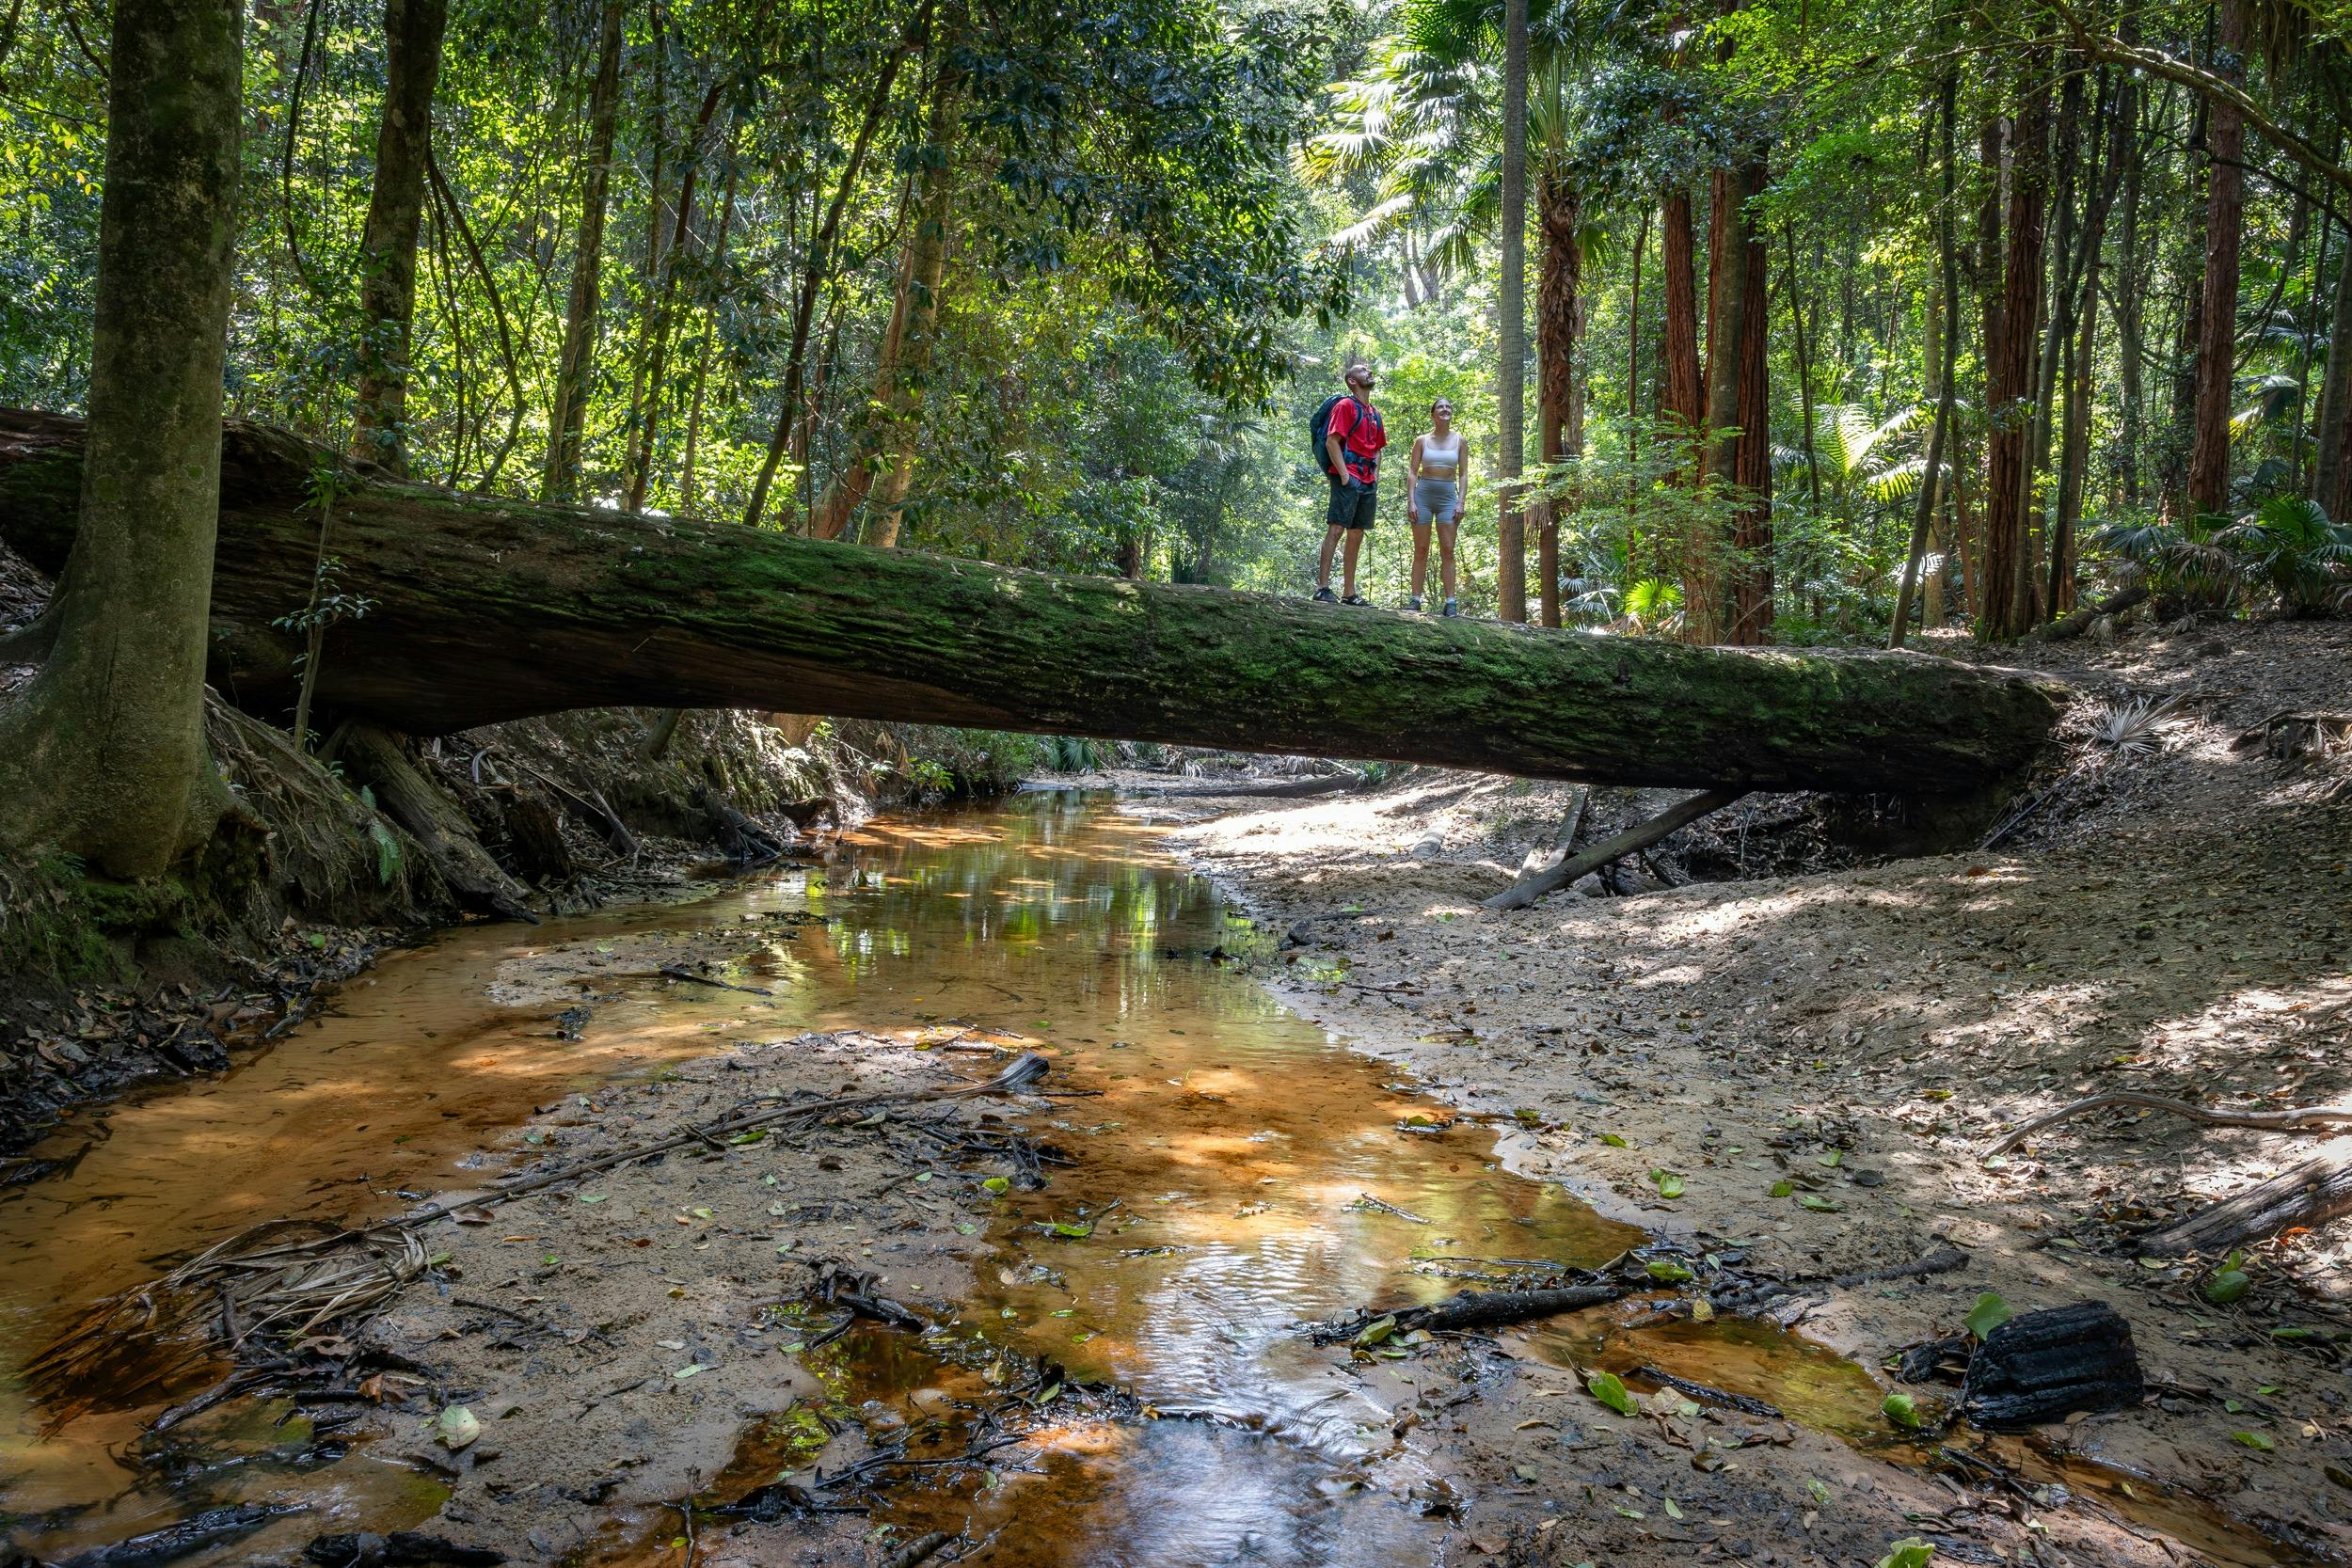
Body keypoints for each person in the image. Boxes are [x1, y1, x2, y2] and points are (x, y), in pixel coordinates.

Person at [1313, 362, 1386, 605]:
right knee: (1336, 529)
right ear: (1352, 381)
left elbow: (1377, 448)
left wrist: (1374, 476)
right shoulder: (1346, 406)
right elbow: (1332, 442)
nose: (1369, 372)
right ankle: (1322, 588)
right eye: (1363, 370)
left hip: (1367, 480)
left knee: (1356, 534)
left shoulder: (1375, 413)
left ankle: (1349, 593)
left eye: (1369, 369)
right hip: (1348, 476)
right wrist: (1345, 476)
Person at [1405, 398, 1468, 616]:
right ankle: (1415, 599)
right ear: (1433, 414)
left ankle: (1450, 602)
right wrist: (1411, 500)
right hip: (1423, 496)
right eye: (1440, 407)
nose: (1445, 410)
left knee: (1448, 550)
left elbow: (1463, 473)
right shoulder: (1421, 440)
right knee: (1421, 550)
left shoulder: (1460, 441)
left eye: (1448, 407)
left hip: (1448, 498)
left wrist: (1461, 501)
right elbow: (1413, 471)